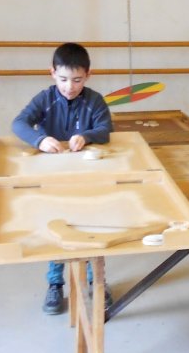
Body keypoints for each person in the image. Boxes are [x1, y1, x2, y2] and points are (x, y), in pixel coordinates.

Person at [12, 42, 114, 315]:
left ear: (88, 75)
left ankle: (96, 281)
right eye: (63, 79)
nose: (70, 86)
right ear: (52, 73)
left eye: (77, 80)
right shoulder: (45, 99)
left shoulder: (94, 100)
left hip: (87, 177)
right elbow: (18, 123)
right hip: (53, 176)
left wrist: (87, 136)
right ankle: (55, 283)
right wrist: (40, 139)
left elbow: (106, 129)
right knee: (56, 227)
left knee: (91, 226)